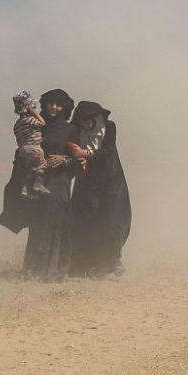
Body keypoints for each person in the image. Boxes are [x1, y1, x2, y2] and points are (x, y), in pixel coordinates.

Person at [0, 89, 79, 282]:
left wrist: (64, 160)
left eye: (58, 104)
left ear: (64, 107)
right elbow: (22, 149)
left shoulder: (70, 130)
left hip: (59, 184)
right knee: (38, 225)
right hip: (36, 182)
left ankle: (55, 273)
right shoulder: (35, 125)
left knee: (57, 226)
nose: (54, 107)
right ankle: (33, 271)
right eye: (50, 103)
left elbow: (79, 160)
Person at [68, 101, 132, 278]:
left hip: (111, 181)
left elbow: (108, 150)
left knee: (113, 222)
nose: (86, 125)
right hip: (87, 182)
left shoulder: (109, 127)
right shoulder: (75, 132)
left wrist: (87, 154)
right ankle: (88, 264)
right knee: (87, 223)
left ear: (97, 118)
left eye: (89, 121)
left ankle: (112, 261)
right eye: (83, 122)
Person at [11, 90, 50, 197]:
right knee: (41, 165)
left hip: (23, 149)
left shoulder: (17, 124)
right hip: (34, 147)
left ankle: (25, 188)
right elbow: (42, 123)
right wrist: (35, 113)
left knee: (31, 169)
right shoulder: (30, 120)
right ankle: (38, 184)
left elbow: (18, 139)